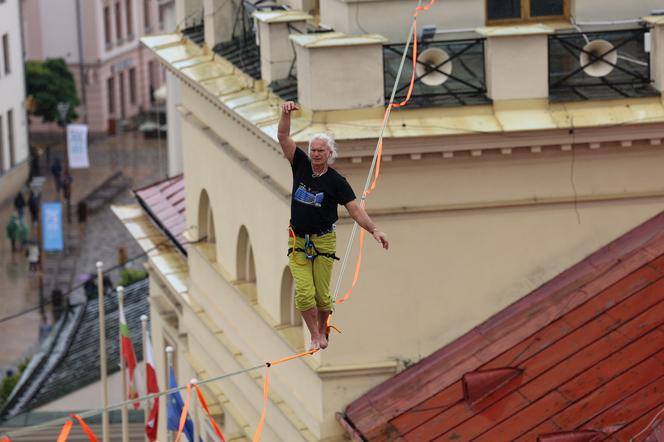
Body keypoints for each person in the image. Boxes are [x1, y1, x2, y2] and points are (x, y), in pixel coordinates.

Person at [278, 101, 389, 351]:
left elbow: (355, 209)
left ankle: (323, 330)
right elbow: (283, 136)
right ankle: (315, 335)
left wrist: (374, 230)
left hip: (324, 240)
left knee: (322, 295)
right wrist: (284, 114)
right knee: (304, 292)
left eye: (320, 151)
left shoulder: (337, 182)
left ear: (329, 154)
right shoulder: (301, 165)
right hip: (297, 239)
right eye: (313, 150)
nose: (316, 154)